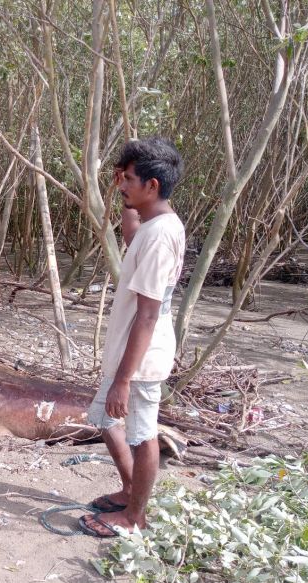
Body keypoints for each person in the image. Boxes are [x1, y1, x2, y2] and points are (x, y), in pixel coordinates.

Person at [79, 137, 185, 538]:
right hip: (129, 354)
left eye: (128, 179)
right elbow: (131, 241)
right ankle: (129, 490)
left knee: (142, 437)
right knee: (105, 419)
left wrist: (124, 379)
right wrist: (126, 200)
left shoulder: (160, 235)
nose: (121, 184)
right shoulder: (153, 227)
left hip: (141, 360)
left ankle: (134, 517)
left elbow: (149, 313)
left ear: (153, 185)